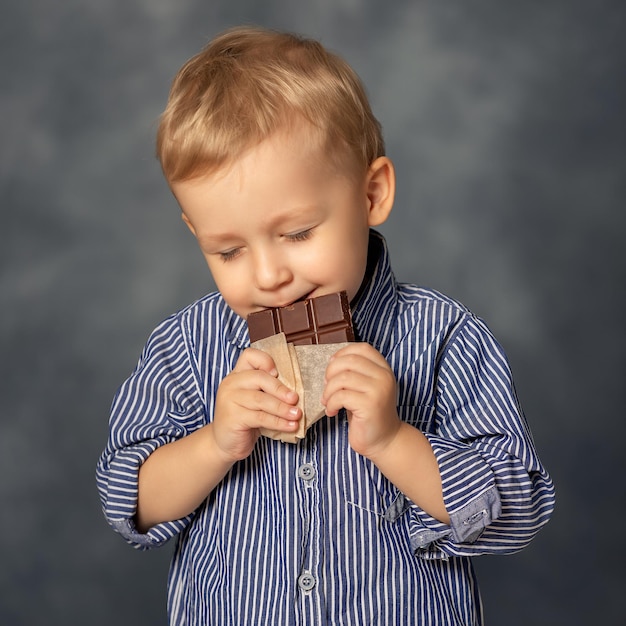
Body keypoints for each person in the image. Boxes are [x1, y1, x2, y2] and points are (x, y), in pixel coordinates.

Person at [96, 25, 555, 625]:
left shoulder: (445, 338)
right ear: (194, 233)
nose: (267, 276)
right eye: (228, 251)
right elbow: (126, 500)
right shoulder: (186, 347)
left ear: (371, 193)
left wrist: (395, 441)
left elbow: (517, 509)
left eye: (296, 234)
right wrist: (214, 444)